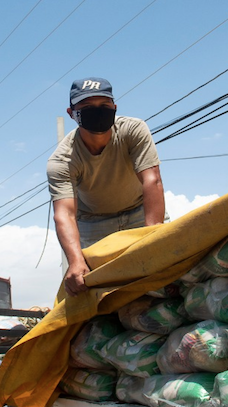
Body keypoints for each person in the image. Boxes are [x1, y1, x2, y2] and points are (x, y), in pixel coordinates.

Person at [47, 77, 166, 297]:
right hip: (94, 222)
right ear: (71, 113)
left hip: (140, 211)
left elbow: (152, 180)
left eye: (104, 106)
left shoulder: (133, 130)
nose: (97, 111)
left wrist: (153, 235)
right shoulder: (63, 160)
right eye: (86, 107)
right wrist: (75, 261)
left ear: (114, 108)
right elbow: (64, 214)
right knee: (101, 291)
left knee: (164, 274)